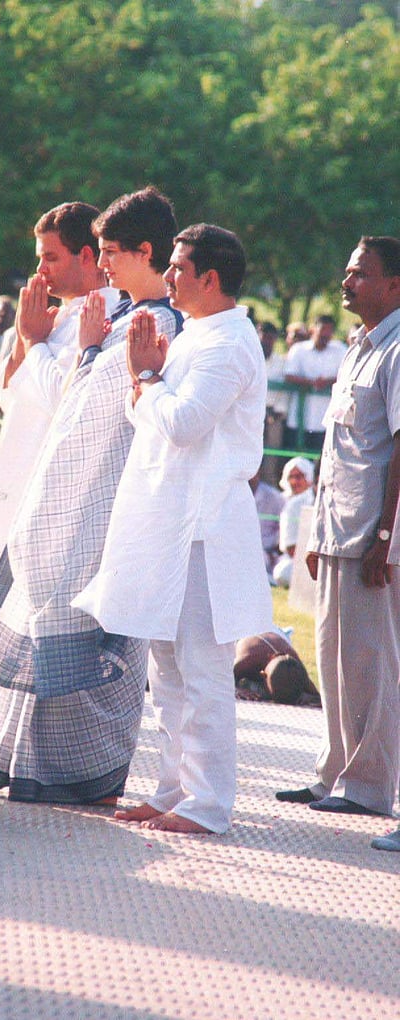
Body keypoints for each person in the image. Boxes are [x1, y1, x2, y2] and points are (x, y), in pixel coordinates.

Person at [0, 187, 183, 805]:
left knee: (88, 635)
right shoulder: (114, 321)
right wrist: (75, 347)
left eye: (111, 252)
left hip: (103, 505)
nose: (102, 264)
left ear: (145, 251)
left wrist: (64, 348)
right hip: (65, 498)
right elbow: (70, 399)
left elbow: (95, 408)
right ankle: (24, 765)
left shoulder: (157, 324)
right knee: (47, 623)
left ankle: (87, 776)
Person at [74, 223, 272, 834]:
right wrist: (147, 382)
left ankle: (208, 805)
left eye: (179, 268)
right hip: (166, 522)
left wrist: (151, 380)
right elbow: (146, 415)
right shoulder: (195, 334)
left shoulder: (229, 343)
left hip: (204, 529)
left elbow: (183, 424)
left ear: (209, 278)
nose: (169, 276)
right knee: (166, 669)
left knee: (202, 669)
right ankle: (173, 791)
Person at [276, 236, 400, 819]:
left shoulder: (396, 350)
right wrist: (315, 533)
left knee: (370, 667)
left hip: (372, 537)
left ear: (394, 285)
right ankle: (334, 775)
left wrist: (385, 538)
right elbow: (339, 449)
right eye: (347, 271)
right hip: (335, 530)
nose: (346, 282)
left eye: (360, 273)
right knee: (333, 661)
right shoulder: (358, 348)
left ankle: (368, 788)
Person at [0, 201, 119, 602]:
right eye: (39, 258)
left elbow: (67, 398)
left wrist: (32, 342)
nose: (40, 270)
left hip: (55, 481)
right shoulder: (55, 314)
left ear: (86, 256)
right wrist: (23, 342)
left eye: (51, 257)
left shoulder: (107, 314)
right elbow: (8, 396)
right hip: (17, 460)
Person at [283, 314, 347, 451]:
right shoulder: (298, 349)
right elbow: (288, 375)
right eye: (322, 330)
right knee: (294, 457)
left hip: (324, 420)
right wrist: (311, 382)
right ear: (313, 329)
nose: (325, 335)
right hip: (298, 418)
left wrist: (327, 382)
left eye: (329, 331)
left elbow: (348, 376)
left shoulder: (340, 350)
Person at [233, 630, 320, 705]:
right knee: (255, 690)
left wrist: (311, 698)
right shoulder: (247, 659)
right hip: (245, 635)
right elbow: (225, 678)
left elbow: (315, 695)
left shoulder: (293, 662)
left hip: (274, 634)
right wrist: (237, 690)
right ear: (263, 675)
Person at [272, 456, 316, 588]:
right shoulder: (281, 500)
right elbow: (290, 548)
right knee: (282, 572)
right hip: (292, 559)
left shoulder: (314, 498)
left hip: (315, 558)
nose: (294, 481)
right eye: (291, 477)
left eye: (299, 476)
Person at [249, 469, 284, 581]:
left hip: (270, 554)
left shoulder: (273, 496)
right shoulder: (232, 495)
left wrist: (274, 551)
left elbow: (283, 528)